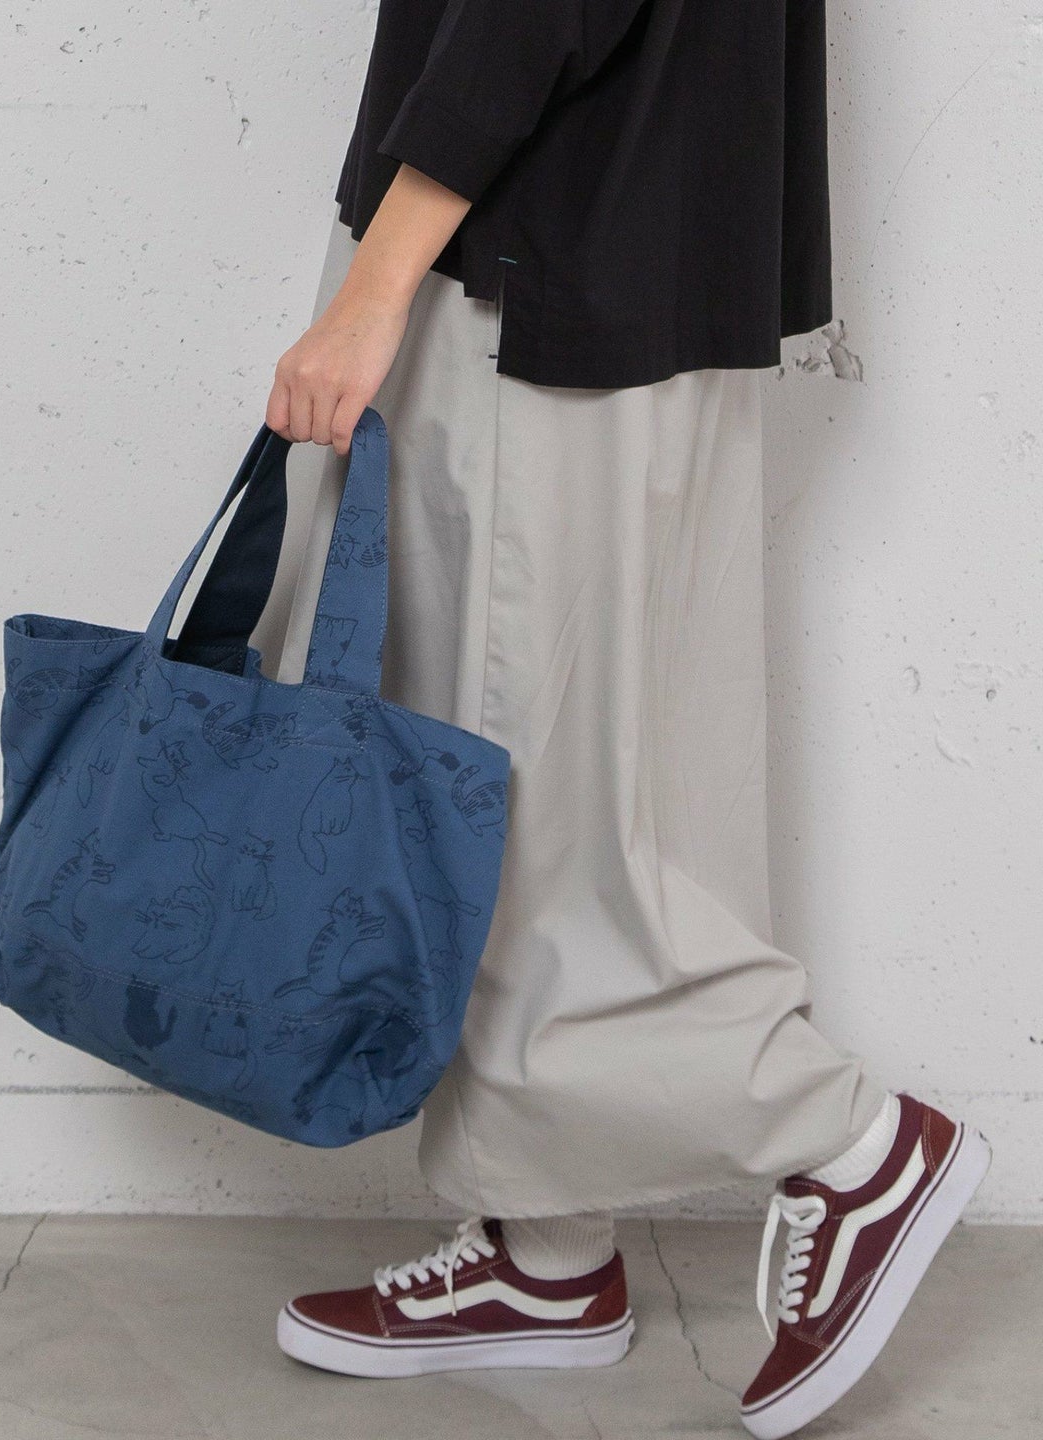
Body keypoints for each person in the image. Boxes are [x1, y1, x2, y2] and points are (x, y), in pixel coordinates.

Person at [253, 2, 993, 1433]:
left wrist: (373, 284)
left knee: (525, 812)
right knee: (617, 791)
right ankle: (550, 1255)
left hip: (536, 259)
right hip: (644, 247)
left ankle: (850, 1146)